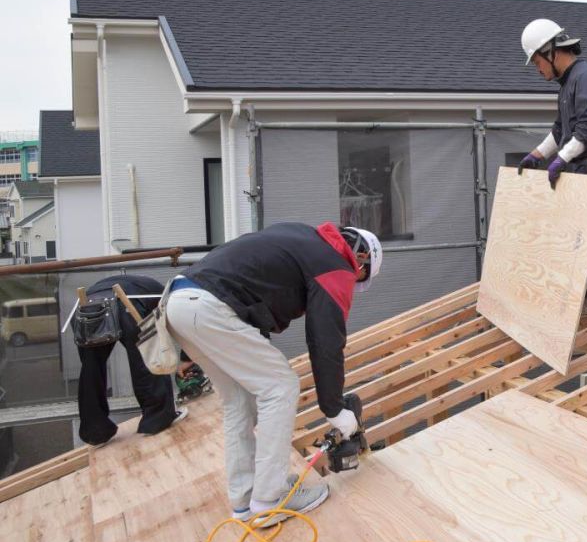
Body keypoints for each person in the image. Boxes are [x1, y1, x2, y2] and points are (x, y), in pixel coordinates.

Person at [164, 222, 382, 523]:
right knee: (280, 386)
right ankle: (270, 498)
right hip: (210, 307)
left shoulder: (302, 238)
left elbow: (245, 291)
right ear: (360, 262)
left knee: (239, 401)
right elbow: (325, 340)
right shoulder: (336, 266)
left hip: (180, 303)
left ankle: (245, 500)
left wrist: (191, 351)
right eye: (359, 279)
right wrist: (334, 409)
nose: (353, 285)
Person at [517, 18, 587, 315]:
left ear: (551, 51)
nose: (538, 69)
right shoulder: (567, 85)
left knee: (574, 235)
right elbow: (560, 130)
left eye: (537, 60)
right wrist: (537, 155)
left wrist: (562, 158)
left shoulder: (584, 77)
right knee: (572, 234)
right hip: (583, 168)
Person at [76, 274, 186, 446]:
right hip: (125, 301)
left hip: (86, 305)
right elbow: (171, 333)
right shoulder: (165, 298)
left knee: (91, 368)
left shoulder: (147, 285)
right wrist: (186, 359)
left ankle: (95, 431)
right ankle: (157, 419)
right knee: (148, 356)